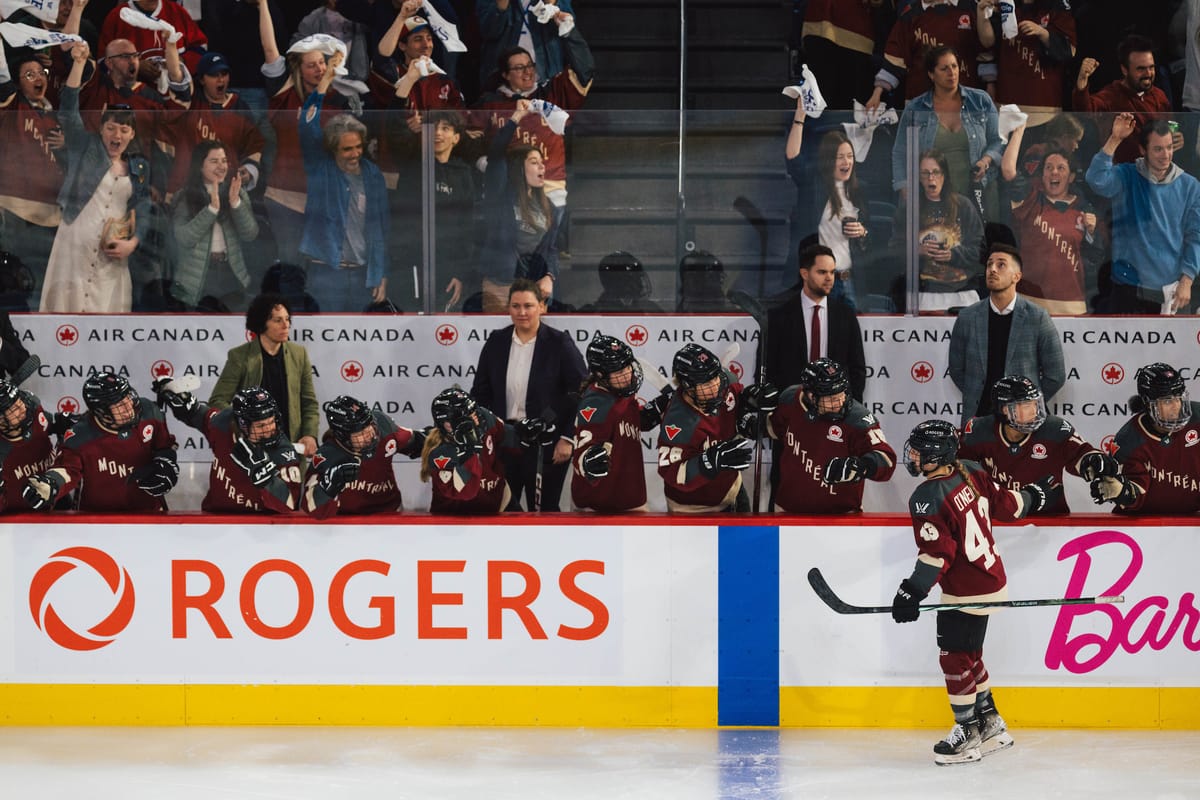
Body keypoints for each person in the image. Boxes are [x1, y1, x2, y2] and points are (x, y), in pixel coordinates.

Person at [891, 418, 1054, 765]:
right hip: (990, 579)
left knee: (953, 657)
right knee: (970, 655)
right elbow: (1006, 504)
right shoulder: (969, 470)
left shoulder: (927, 497)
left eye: (920, 451)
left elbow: (938, 554)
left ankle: (967, 731)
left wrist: (912, 591)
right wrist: (1034, 496)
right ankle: (991, 720)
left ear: (937, 455)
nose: (914, 456)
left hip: (966, 590)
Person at [40, 41, 152, 313]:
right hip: (75, 242)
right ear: (101, 129)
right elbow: (67, 111)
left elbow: (144, 208)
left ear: (132, 134)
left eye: (124, 130)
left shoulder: (138, 167)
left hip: (111, 254)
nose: (117, 136)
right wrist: (79, 64)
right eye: (111, 128)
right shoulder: (86, 148)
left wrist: (132, 243)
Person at [470, 278, 586, 511]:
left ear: (542, 307)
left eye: (528, 306)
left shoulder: (559, 343)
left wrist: (567, 437)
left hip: (546, 444)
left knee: (545, 510)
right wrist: (484, 433)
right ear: (509, 308)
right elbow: (480, 393)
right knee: (501, 509)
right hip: (504, 440)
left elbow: (582, 390)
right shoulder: (496, 342)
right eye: (516, 306)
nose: (522, 312)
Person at [257, 3, 350, 264]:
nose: (320, 69)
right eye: (312, 65)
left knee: (319, 267)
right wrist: (264, 4)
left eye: (322, 63)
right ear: (298, 68)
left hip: (322, 197)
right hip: (285, 196)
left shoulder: (336, 99)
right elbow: (269, 50)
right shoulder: (284, 95)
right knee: (290, 264)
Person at [298, 51, 389, 312]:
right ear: (333, 149)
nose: (355, 154)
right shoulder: (321, 168)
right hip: (325, 271)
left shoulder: (372, 175)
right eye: (347, 149)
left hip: (363, 275)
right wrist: (325, 80)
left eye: (358, 147)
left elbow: (382, 229)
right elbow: (307, 124)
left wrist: (381, 273)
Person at [1085, 116, 1200, 315]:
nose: (1166, 155)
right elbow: (1096, 179)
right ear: (1142, 150)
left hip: (1171, 291)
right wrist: (1115, 139)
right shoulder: (1127, 175)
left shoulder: (1190, 186)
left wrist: (1187, 279)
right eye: (1158, 149)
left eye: (1169, 147)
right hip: (1127, 286)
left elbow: (1196, 235)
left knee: (1169, 347)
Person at [959, 375, 1118, 514]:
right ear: (1006, 410)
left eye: (1036, 404)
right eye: (1027, 406)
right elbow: (957, 469)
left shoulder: (1055, 429)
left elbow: (1081, 454)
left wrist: (1093, 460)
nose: (1034, 411)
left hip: (1050, 520)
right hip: (999, 518)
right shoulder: (978, 431)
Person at [23, 371, 178, 512]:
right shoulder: (80, 435)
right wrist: (50, 484)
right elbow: (67, 470)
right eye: (119, 406)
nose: (129, 407)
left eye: (127, 398)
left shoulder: (149, 411)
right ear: (101, 411)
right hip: (96, 518)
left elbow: (164, 446)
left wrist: (166, 464)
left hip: (148, 511)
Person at [948, 242, 1065, 424]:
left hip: (1024, 422)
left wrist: (1028, 403)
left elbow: (1055, 375)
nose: (992, 270)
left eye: (1001, 264)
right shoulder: (967, 317)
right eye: (989, 264)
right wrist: (978, 393)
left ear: (1016, 276)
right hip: (979, 418)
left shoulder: (1037, 317)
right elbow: (956, 369)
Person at [759, 358, 896, 513]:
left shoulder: (858, 419)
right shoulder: (790, 399)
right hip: (787, 511)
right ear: (811, 396)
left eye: (842, 394)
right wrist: (752, 419)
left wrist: (861, 466)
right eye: (831, 398)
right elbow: (774, 428)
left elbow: (887, 460)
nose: (839, 402)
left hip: (839, 517)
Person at [890, 46, 1003, 221]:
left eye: (954, 66)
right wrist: (904, 187)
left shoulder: (980, 100)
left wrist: (985, 161)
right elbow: (900, 152)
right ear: (931, 74)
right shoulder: (916, 108)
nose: (952, 72)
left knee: (980, 244)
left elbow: (998, 141)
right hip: (931, 194)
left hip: (978, 191)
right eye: (944, 68)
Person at [154, 381, 303, 513]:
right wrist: (181, 400)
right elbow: (198, 415)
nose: (270, 429)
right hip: (214, 519)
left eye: (272, 421)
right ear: (243, 424)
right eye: (261, 425)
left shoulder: (284, 452)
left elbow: (289, 503)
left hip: (259, 527)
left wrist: (263, 477)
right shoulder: (223, 423)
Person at [1000, 133, 1103, 315]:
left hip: (1072, 304)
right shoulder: (1030, 201)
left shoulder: (1083, 210)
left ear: (1071, 177)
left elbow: (1095, 259)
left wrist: (1092, 233)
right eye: (1049, 168)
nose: (1054, 172)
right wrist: (1020, 128)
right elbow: (1008, 170)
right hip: (1028, 299)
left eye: (1061, 168)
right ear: (1042, 175)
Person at [786, 104, 874, 311]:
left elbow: (871, 239)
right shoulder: (814, 186)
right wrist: (799, 117)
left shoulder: (858, 192)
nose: (847, 162)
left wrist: (863, 232)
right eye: (840, 156)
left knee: (850, 336)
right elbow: (793, 159)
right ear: (828, 160)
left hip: (850, 280)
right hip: (822, 281)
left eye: (850, 156)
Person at [209, 293, 319, 459]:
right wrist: (244, 423)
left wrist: (310, 435)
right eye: (277, 320)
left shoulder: (299, 354)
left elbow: (309, 402)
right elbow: (217, 401)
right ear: (261, 324)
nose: (286, 325)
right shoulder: (240, 356)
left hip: (290, 448)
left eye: (287, 319)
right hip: (253, 451)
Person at [570, 334, 671, 513]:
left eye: (627, 367)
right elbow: (584, 448)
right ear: (600, 374)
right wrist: (588, 462)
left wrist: (656, 408)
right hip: (598, 506)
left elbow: (631, 422)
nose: (626, 374)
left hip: (627, 500)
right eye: (618, 371)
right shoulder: (596, 403)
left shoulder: (620, 392)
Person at [476, 100, 559, 312]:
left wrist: (549, 275)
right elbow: (496, 154)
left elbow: (550, 249)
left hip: (532, 289)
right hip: (500, 285)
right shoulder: (501, 194)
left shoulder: (548, 205)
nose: (542, 166)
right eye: (533, 162)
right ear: (518, 168)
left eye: (542, 162)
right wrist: (516, 118)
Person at [0, 49, 68, 298]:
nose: (38, 77)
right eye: (29, 74)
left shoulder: (54, 114)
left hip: (51, 212)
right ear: (18, 83)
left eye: (41, 72)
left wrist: (66, 146)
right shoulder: (13, 106)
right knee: (16, 278)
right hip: (16, 208)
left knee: (44, 280)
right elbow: (2, 82)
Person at [759, 243, 866, 399]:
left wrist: (849, 405)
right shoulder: (779, 316)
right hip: (791, 407)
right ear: (804, 274)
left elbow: (857, 368)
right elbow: (766, 369)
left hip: (835, 408)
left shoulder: (845, 315)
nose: (829, 278)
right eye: (822, 272)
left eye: (832, 272)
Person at [1091, 362, 1200, 515]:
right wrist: (1122, 491)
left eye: (1179, 397)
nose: (1176, 406)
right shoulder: (1129, 440)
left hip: (1190, 520)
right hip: (1141, 525)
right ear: (1148, 404)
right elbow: (1134, 495)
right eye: (1168, 401)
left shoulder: (1198, 419)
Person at [657, 343, 753, 513]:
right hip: (694, 508)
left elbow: (738, 402)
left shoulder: (725, 384)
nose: (716, 386)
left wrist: (749, 406)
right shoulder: (677, 423)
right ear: (688, 386)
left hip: (733, 490)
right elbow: (672, 473)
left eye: (716, 377)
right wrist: (707, 462)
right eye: (706, 383)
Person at [890, 148, 985, 312]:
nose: (931, 178)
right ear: (918, 177)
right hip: (923, 294)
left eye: (935, 172)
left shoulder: (963, 206)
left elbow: (981, 250)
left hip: (962, 293)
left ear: (944, 175)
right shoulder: (908, 209)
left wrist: (953, 254)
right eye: (925, 173)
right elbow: (893, 251)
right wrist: (916, 251)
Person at [170, 140, 259, 311]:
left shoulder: (236, 191)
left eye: (224, 161)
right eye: (214, 161)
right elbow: (183, 238)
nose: (221, 166)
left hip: (230, 274)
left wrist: (235, 204)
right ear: (200, 166)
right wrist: (211, 209)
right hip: (197, 280)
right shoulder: (185, 196)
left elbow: (250, 234)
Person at [303, 395, 427, 518]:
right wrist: (330, 485)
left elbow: (419, 442)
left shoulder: (383, 428)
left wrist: (439, 437)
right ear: (342, 435)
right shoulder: (326, 457)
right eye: (360, 433)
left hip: (390, 513)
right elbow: (310, 506)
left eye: (369, 426)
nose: (369, 434)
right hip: (345, 523)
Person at [161, 51, 265, 195]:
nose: (221, 79)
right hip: (187, 189)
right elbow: (176, 77)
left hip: (226, 191)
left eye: (224, 74)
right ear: (202, 79)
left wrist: (249, 169)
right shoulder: (190, 101)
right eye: (214, 75)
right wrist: (171, 45)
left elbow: (254, 144)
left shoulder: (238, 106)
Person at [419, 387, 537, 514]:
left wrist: (527, 433)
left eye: (474, 412)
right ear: (446, 424)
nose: (475, 419)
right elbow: (466, 493)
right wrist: (469, 450)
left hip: (498, 504)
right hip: (454, 519)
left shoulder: (484, 418)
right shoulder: (440, 454)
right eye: (467, 416)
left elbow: (508, 436)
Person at [1073, 34, 1175, 165]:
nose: (1148, 74)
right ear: (1124, 70)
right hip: (1120, 175)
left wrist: (1176, 136)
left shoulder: (1159, 95)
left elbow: (1172, 123)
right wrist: (1082, 82)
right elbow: (1084, 110)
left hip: (1156, 173)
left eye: (1151, 67)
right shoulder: (1111, 95)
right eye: (1141, 69)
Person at [869, 2, 994, 108]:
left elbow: (985, 52)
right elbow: (896, 56)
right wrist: (877, 94)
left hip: (964, 104)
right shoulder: (910, 15)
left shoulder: (970, 8)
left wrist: (991, 85)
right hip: (920, 105)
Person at [975, 0, 1076, 119]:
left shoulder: (1057, 5)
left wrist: (1042, 32)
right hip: (1006, 101)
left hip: (1044, 105)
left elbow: (1069, 50)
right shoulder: (1004, 4)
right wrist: (982, 16)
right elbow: (988, 43)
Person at [0, 379, 67, 512]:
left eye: (18, 400)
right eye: (13, 408)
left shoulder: (33, 412)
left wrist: (63, 422)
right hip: (19, 519)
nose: (22, 406)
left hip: (56, 498)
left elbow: (50, 423)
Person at [98, 0, 208, 74]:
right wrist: (135, 67)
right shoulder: (117, 16)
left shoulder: (177, 12)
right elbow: (103, 63)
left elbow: (201, 50)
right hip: (135, 98)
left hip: (176, 96)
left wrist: (180, 61)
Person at [577, 251, 665, 313]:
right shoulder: (593, 313)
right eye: (636, 279)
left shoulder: (650, 309)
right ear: (620, 282)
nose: (641, 283)